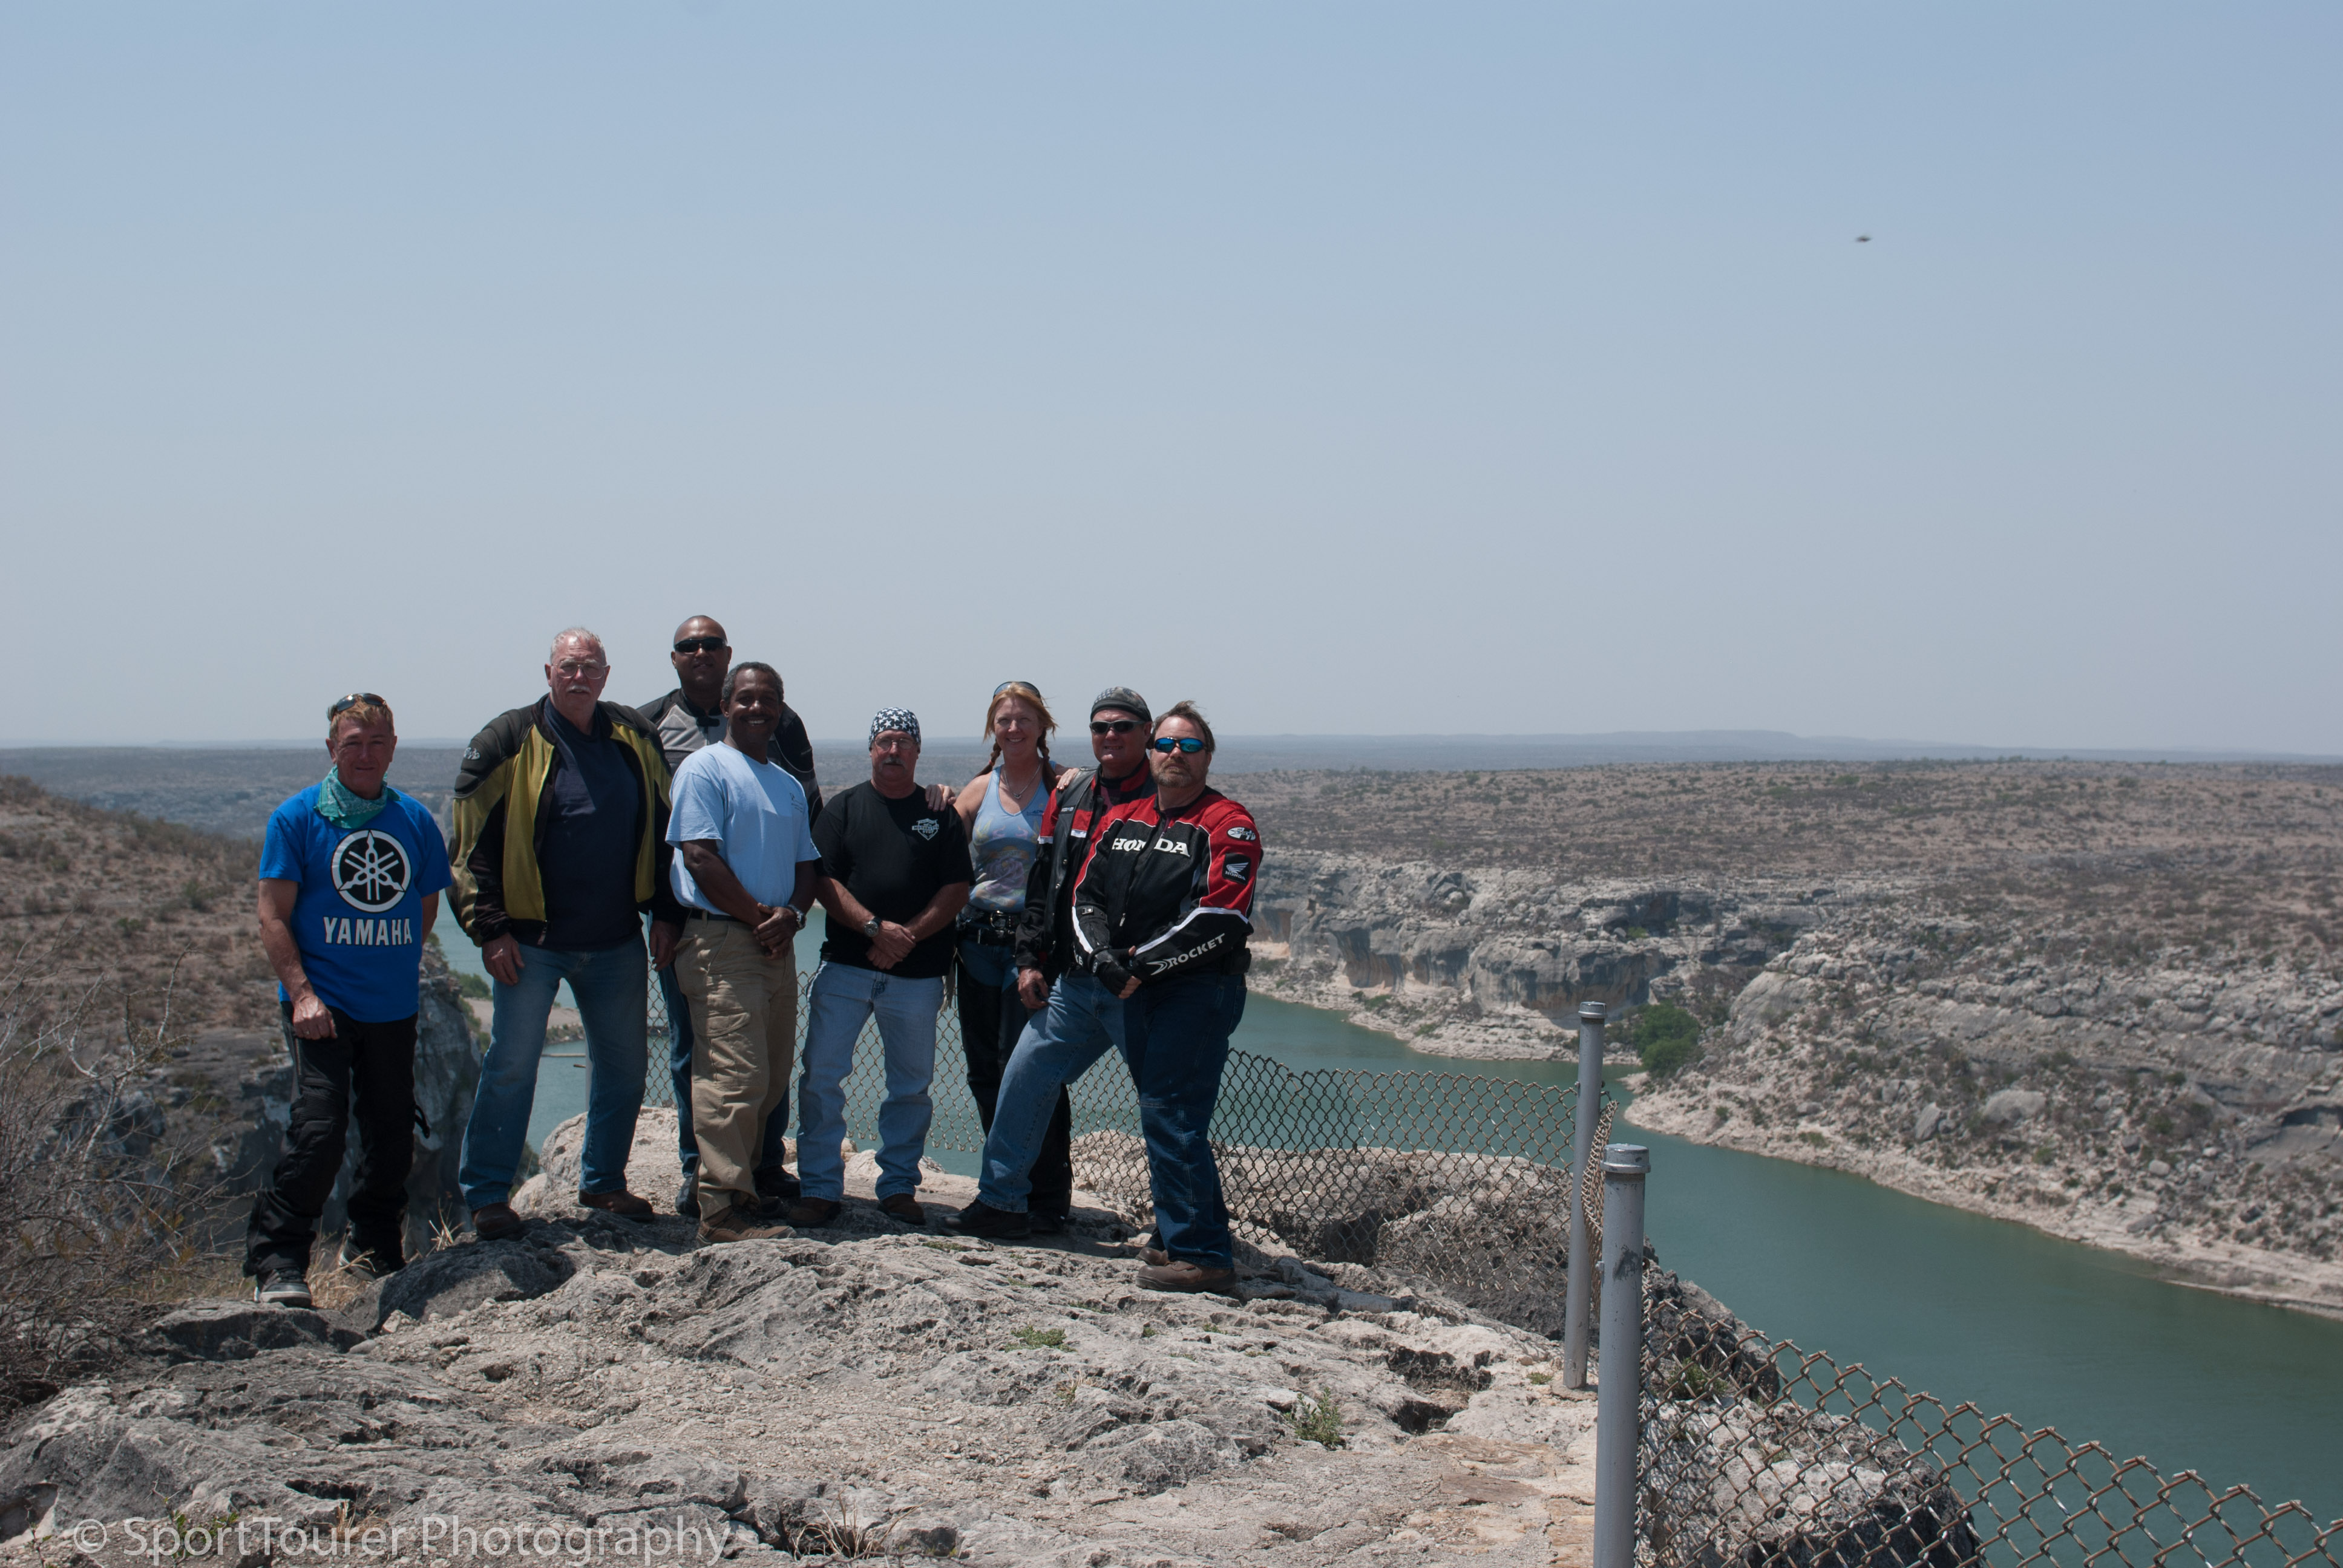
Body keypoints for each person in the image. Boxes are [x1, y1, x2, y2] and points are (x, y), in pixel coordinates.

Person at [450, 628, 684, 1240]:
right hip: (530, 944)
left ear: (605, 676)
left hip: (614, 939)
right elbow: (468, 846)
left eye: (589, 667)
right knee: (511, 1065)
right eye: (567, 667)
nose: (578, 677)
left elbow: (664, 828)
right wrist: (489, 930)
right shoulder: (507, 740)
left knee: (625, 1068)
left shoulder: (632, 735)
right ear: (547, 673)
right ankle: (487, 1195)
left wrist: (666, 911)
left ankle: (603, 1182)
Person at [247, 693, 453, 1307]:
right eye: (352, 743)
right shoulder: (297, 819)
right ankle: (279, 1260)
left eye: (376, 742)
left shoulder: (413, 821)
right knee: (319, 1130)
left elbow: (425, 906)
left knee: (392, 1134)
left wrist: (389, 964)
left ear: (393, 748)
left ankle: (371, 1246)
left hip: (391, 1007)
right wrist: (304, 995)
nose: (364, 754)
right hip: (322, 1010)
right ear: (331, 750)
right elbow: (271, 915)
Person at [947, 687, 1158, 1240]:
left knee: (1162, 1098)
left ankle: (1176, 1227)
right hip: (1022, 957)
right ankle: (1006, 1198)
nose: (1111, 737)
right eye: (1102, 728)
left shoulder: (1073, 786)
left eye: (1124, 727)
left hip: (1127, 976)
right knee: (1011, 1076)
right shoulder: (1067, 795)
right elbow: (1046, 880)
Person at [1069, 701, 1258, 1292]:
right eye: (1166, 745)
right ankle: (1182, 1233)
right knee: (1168, 1113)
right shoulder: (1121, 817)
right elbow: (1085, 899)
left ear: (1207, 757)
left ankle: (1202, 1255)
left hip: (1198, 990)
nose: (1175, 756)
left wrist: (1140, 967)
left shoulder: (1228, 822)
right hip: (1135, 985)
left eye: (1190, 747)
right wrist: (1101, 961)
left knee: (1171, 1113)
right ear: (1150, 752)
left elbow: (1221, 916)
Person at [637, 615, 821, 1220]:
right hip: (722, 942)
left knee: (767, 1080)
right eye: (745, 699)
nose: (756, 709)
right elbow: (698, 856)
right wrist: (759, 917)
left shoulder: (787, 786)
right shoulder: (705, 769)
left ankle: (750, 1184)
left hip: (773, 945)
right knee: (731, 1077)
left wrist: (791, 915)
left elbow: (807, 865)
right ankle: (721, 1205)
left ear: (780, 711)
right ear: (726, 705)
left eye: (767, 700)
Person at [791, 709, 971, 1229]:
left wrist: (905, 936)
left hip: (916, 977)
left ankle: (897, 1186)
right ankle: (821, 1187)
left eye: (903, 743)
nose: (893, 751)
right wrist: (874, 929)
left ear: (917, 752)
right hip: (845, 969)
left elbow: (956, 890)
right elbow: (824, 880)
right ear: (871, 750)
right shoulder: (844, 809)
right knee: (822, 1078)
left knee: (910, 1087)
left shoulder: (940, 815)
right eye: (884, 742)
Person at [948, 682, 1069, 1226]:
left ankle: (1044, 1198)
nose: (1014, 728)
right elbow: (938, 854)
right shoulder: (978, 791)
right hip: (977, 944)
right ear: (992, 730)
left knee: (1033, 1075)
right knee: (984, 1075)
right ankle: (1004, 1187)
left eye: (1024, 719)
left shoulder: (1065, 788)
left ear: (1043, 726)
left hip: (1035, 950)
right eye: (1004, 721)